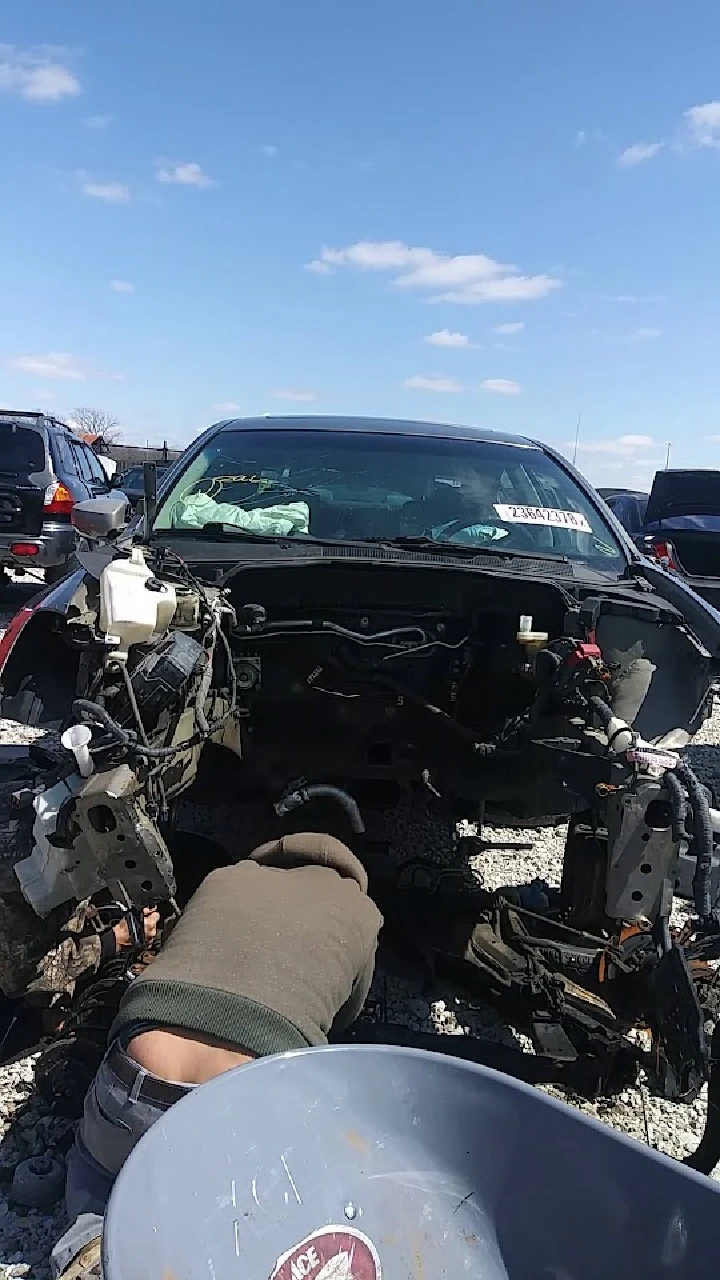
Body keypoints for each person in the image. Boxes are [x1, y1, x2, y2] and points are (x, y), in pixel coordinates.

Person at [50, 832, 383, 1279]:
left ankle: (91, 1242)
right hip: (244, 1103)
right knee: (242, 1212)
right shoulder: (362, 913)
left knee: (96, 1166)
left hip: (137, 1072)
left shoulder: (222, 877)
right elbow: (348, 1015)